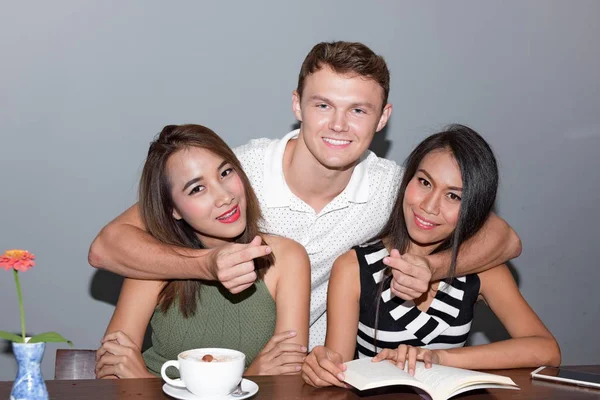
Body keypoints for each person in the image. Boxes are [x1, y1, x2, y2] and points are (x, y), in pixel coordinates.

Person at [88, 41, 522, 349]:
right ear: (297, 105)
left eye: (358, 110)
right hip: (228, 360)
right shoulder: (239, 175)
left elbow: (505, 239)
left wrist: (430, 267)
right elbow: (106, 247)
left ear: (383, 118)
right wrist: (205, 263)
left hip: (319, 369)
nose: (338, 125)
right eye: (323, 105)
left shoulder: (395, 187)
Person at [301, 125, 560, 388]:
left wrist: (440, 357)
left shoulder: (481, 268)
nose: (429, 206)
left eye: (453, 196)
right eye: (424, 182)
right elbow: (339, 372)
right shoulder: (354, 267)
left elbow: (547, 350)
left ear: (473, 207)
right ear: (407, 181)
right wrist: (321, 368)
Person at [94, 124, 310, 378]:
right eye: (197, 188)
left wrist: (142, 381)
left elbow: (288, 378)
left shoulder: (287, 258)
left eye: (226, 172)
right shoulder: (153, 261)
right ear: (172, 209)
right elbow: (111, 369)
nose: (224, 196)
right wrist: (251, 379)